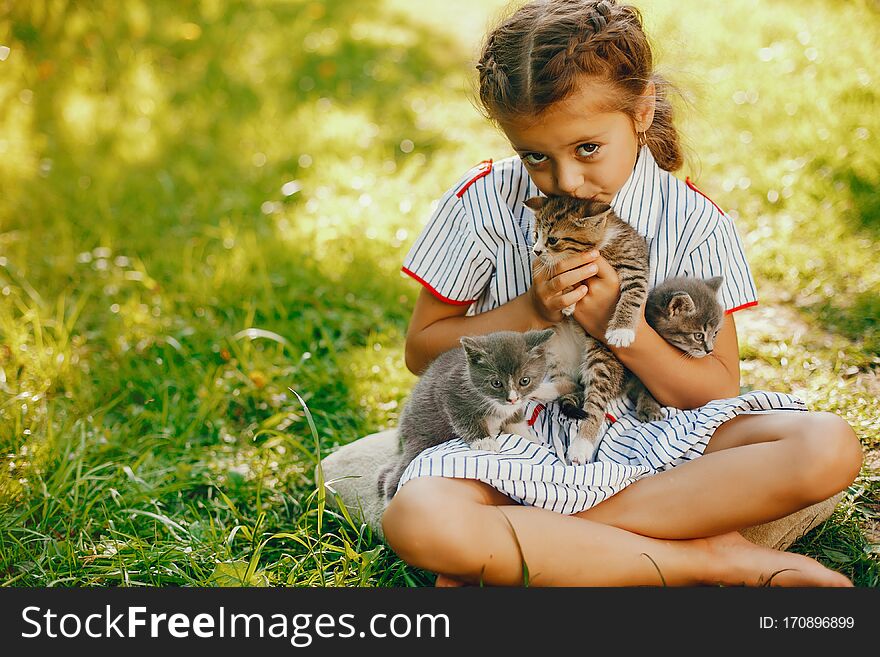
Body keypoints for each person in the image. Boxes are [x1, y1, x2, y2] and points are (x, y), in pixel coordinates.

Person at [380, 0, 863, 586]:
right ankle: (706, 559)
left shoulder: (692, 220)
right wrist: (530, 309)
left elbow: (714, 387)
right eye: (535, 156)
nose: (567, 181)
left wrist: (616, 320)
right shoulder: (482, 203)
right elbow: (422, 352)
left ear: (641, 111)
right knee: (420, 519)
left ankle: (542, 539)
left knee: (828, 446)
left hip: (646, 427)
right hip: (517, 434)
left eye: (587, 148)